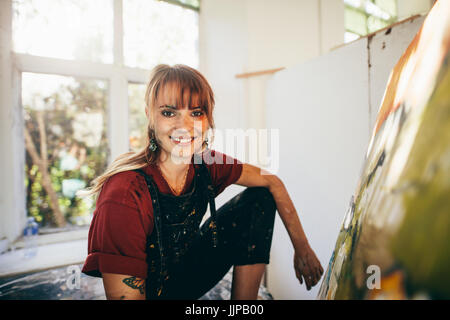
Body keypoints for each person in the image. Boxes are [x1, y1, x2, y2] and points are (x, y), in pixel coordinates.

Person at [79, 64, 323, 300]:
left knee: (260, 197)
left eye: (196, 113)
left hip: (185, 277)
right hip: (151, 292)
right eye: (168, 112)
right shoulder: (125, 192)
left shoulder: (206, 164)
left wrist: (302, 249)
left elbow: (272, 182)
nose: (185, 126)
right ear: (149, 116)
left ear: (207, 119)